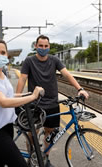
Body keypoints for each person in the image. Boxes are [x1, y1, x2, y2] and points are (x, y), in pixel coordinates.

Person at [16, 35, 89, 167]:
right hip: (35, 104)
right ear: (36, 46)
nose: (43, 48)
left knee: (50, 134)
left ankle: (45, 159)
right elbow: (22, 79)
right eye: (40, 46)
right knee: (32, 133)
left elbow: (66, 74)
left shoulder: (54, 60)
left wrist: (80, 89)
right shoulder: (29, 61)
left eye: (46, 46)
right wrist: (17, 98)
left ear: (49, 47)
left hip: (52, 104)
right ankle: (32, 158)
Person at [0, 38, 44, 167]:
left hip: (7, 126)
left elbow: (8, 95)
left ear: (7, 54)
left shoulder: (2, 74)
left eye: (3, 52)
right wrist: (32, 97)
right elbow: (3, 101)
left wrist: (28, 94)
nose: (0, 55)